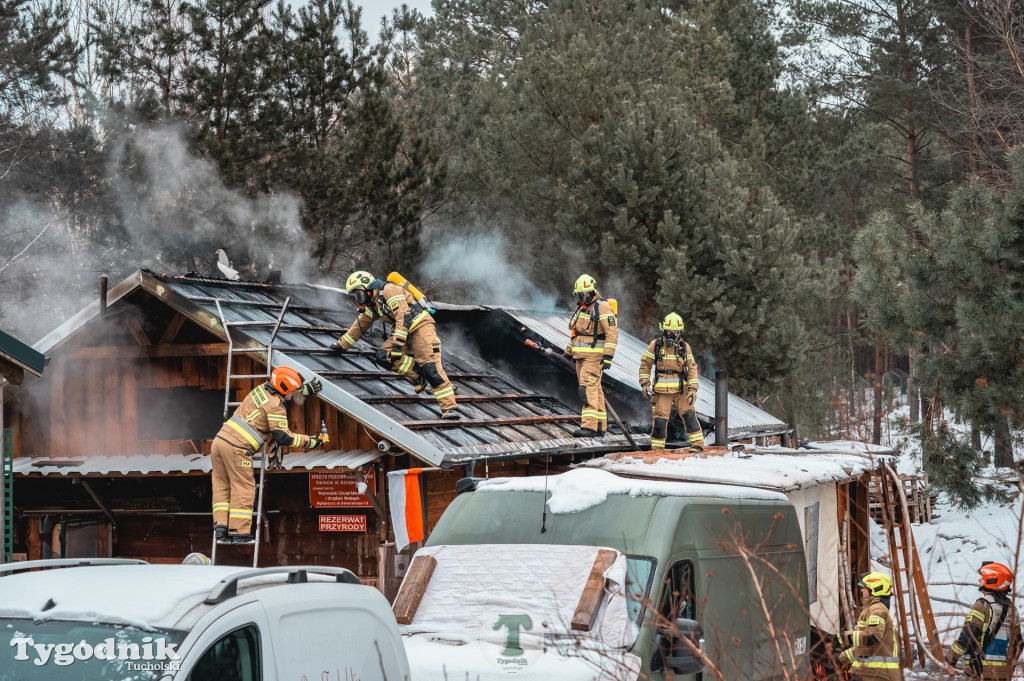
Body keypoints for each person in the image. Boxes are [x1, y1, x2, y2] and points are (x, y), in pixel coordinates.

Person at [211, 366, 327, 543]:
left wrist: (304, 389)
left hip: (219, 443)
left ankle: (221, 529)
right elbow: (283, 437)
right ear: (283, 389)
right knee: (244, 488)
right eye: (291, 392)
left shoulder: (261, 388)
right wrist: (311, 441)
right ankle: (239, 533)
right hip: (237, 448)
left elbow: (282, 389)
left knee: (221, 486)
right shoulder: (276, 407)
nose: (291, 396)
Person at [332, 271, 460, 420]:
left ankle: (450, 409)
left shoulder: (389, 290)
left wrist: (397, 346)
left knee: (431, 368)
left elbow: (404, 317)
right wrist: (341, 345)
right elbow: (361, 324)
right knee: (383, 356)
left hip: (420, 327)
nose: (358, 297)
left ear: (367, 288)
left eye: (359, 293)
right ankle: (419, 375)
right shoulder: (375, 303)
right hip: (404, 332)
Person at [944, 561, 1022, 679]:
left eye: (982, 578)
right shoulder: (1012, 610)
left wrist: (951, 660)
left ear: (991, 581)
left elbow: (968, 636)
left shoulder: (983, 605)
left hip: (979, 671)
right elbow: (1018, 644)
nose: (979, 580)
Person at [638, 313, 704, 451]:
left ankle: (697, 446)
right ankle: (657, 450)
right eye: (669, 332)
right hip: (662, 392)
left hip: (681, 390)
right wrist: (645, 383)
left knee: (689, 416)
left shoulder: (685, 347)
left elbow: (692, 369)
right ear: (664, 331)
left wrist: (692, 389)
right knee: (659, 421)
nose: (672, 335)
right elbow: (645, 364)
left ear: (680, 333)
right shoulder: (655, 345)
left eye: (675, 332)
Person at [564, 274, 617, 438]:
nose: (582, 297)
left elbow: (611, 333)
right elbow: (577, 334)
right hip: (581, 356)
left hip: (594, 358)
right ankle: (600, 426)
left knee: (586, 390)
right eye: (580, 295)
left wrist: (608, 355)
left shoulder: (603, 307)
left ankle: (589, 427)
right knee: (596, 390)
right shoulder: (582, 309)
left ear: (593, 292)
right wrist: (568, 351)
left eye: (585, 294)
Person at [833, 571, 901, 680]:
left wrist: (844, 637)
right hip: (874, 673)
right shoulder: (872, 609)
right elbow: (866, 649)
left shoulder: (877, 609)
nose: (862, 590)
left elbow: (873, 638)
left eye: (865, 587)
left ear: (876, 588)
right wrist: (842, 658)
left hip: (878, 674)